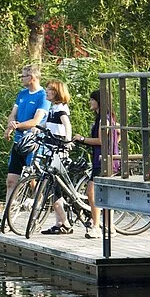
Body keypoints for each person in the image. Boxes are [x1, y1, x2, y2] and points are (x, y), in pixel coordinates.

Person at [0, 64, 48, 232]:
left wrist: (18, 126)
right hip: (18, 143)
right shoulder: (22, 94)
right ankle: (5, 220)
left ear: (32, 78)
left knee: (32, 182)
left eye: (23, 76)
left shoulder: (43, 96)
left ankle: (38, 209)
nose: (21, 79)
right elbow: (12, 114)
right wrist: (10, 125)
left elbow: (36, 121)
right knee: (11, 181)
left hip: (33, 144)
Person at [71, 88, 119, 239]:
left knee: (92, 192)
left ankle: (96, 226)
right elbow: (118, 135)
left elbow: (100, 140)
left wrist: (82, 139)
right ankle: (109, 225)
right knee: (100, 193)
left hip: (103, 160)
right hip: (100, 158)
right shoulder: (104, 117)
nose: (90, 102)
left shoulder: (104, 119)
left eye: (92, 99)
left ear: (99, 101)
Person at [42, 81, 78, 235]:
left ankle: (65, 222)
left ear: (57, 93)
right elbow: (45, 125)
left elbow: (67, 125)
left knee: (55, 185)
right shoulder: (52, 108)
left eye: (49, 90)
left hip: (58, 148)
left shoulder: (61, 109)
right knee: (52, 185)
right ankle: (60, 222)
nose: (46, 92)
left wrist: (68, 141)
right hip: (49, 148)